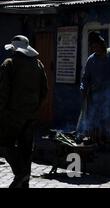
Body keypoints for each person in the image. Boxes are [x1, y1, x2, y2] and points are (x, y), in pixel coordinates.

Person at [0, 35, 48, 188]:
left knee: (5, 143)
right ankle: (24, 181)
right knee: (26, 149)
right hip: (31, 114)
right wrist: (35, 107)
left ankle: (20, 173)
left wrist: (2, 111)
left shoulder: (9, 64)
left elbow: (3, 91)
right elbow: (44, 90)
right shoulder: (38, 64)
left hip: (13, 115)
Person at [77, 32, 110, 149]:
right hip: (96, 97)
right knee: (97, 120)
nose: (95, 49)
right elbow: (85, 78)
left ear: (102, 44)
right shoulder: (91, 60)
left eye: (96, 46)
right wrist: (83, 88)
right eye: (92, 47)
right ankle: (99, 142)